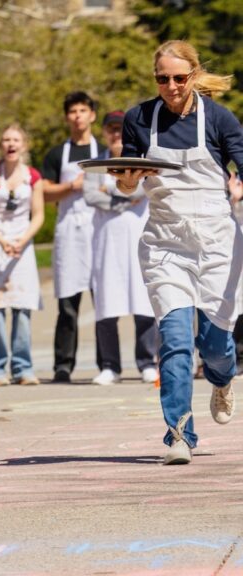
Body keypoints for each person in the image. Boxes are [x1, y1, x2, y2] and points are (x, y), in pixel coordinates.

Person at [112, 40, 243, 465]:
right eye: (162, 78)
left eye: (179, 78)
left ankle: (222, 379)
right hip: (165, 243)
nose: (171, 86)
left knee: (216, 347)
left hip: (217, 244)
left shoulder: (219, 119)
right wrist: (127, 181)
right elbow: (126, 180)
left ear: (194, 75)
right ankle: (179, 434)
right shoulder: (138, 119)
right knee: (174, 340)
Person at [82, 111, 159, 386]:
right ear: (105, 132)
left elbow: (142, 191)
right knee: (106, 304)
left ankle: (147, 362)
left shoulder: (140, 160)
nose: (116, 134)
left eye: (120, 129)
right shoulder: (97, 164)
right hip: (107, 242)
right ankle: (109, 365)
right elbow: (90, 195)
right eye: (112, 129)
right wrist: (123, 196)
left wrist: (112, 191)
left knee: (143, 302)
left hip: (137, 238)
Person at [41, 91, 105, 383]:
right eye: (72, 111)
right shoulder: (57, 154)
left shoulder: (103, 151)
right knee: (67, 304)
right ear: (67, 117)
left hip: (98, 229)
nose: (78, 116)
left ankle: (107, 363)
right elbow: (44, 192)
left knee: (103, 300)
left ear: (92, 115)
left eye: (82, 110)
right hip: (68, 231)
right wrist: (71, 186)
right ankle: (63, 365)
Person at [0, 124, 44, 387]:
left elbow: (37, 214)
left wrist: (22, 241)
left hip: (22, 243)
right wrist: (1, 240)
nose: (11, 144)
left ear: (23, 145)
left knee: (22, 305)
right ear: (0, 145)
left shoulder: (33, 177)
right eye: (6, 140)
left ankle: (23, 367)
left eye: (15, 140)